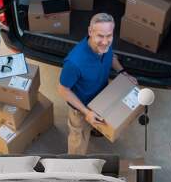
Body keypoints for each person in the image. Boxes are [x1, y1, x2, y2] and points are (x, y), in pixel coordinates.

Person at [57, 13, 137, 155]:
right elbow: (63, 89)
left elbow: (112, 56)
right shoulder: (74, 62)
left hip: (101, 97)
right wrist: (87, 112)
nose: (105, 41)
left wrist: (123, 72)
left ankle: (95, 129)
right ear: (90, 32)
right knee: (78, 140)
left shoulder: (105, 46)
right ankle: (72, 169)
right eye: (100, 36)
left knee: (98, 123)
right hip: (81, 108)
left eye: (109, 36)